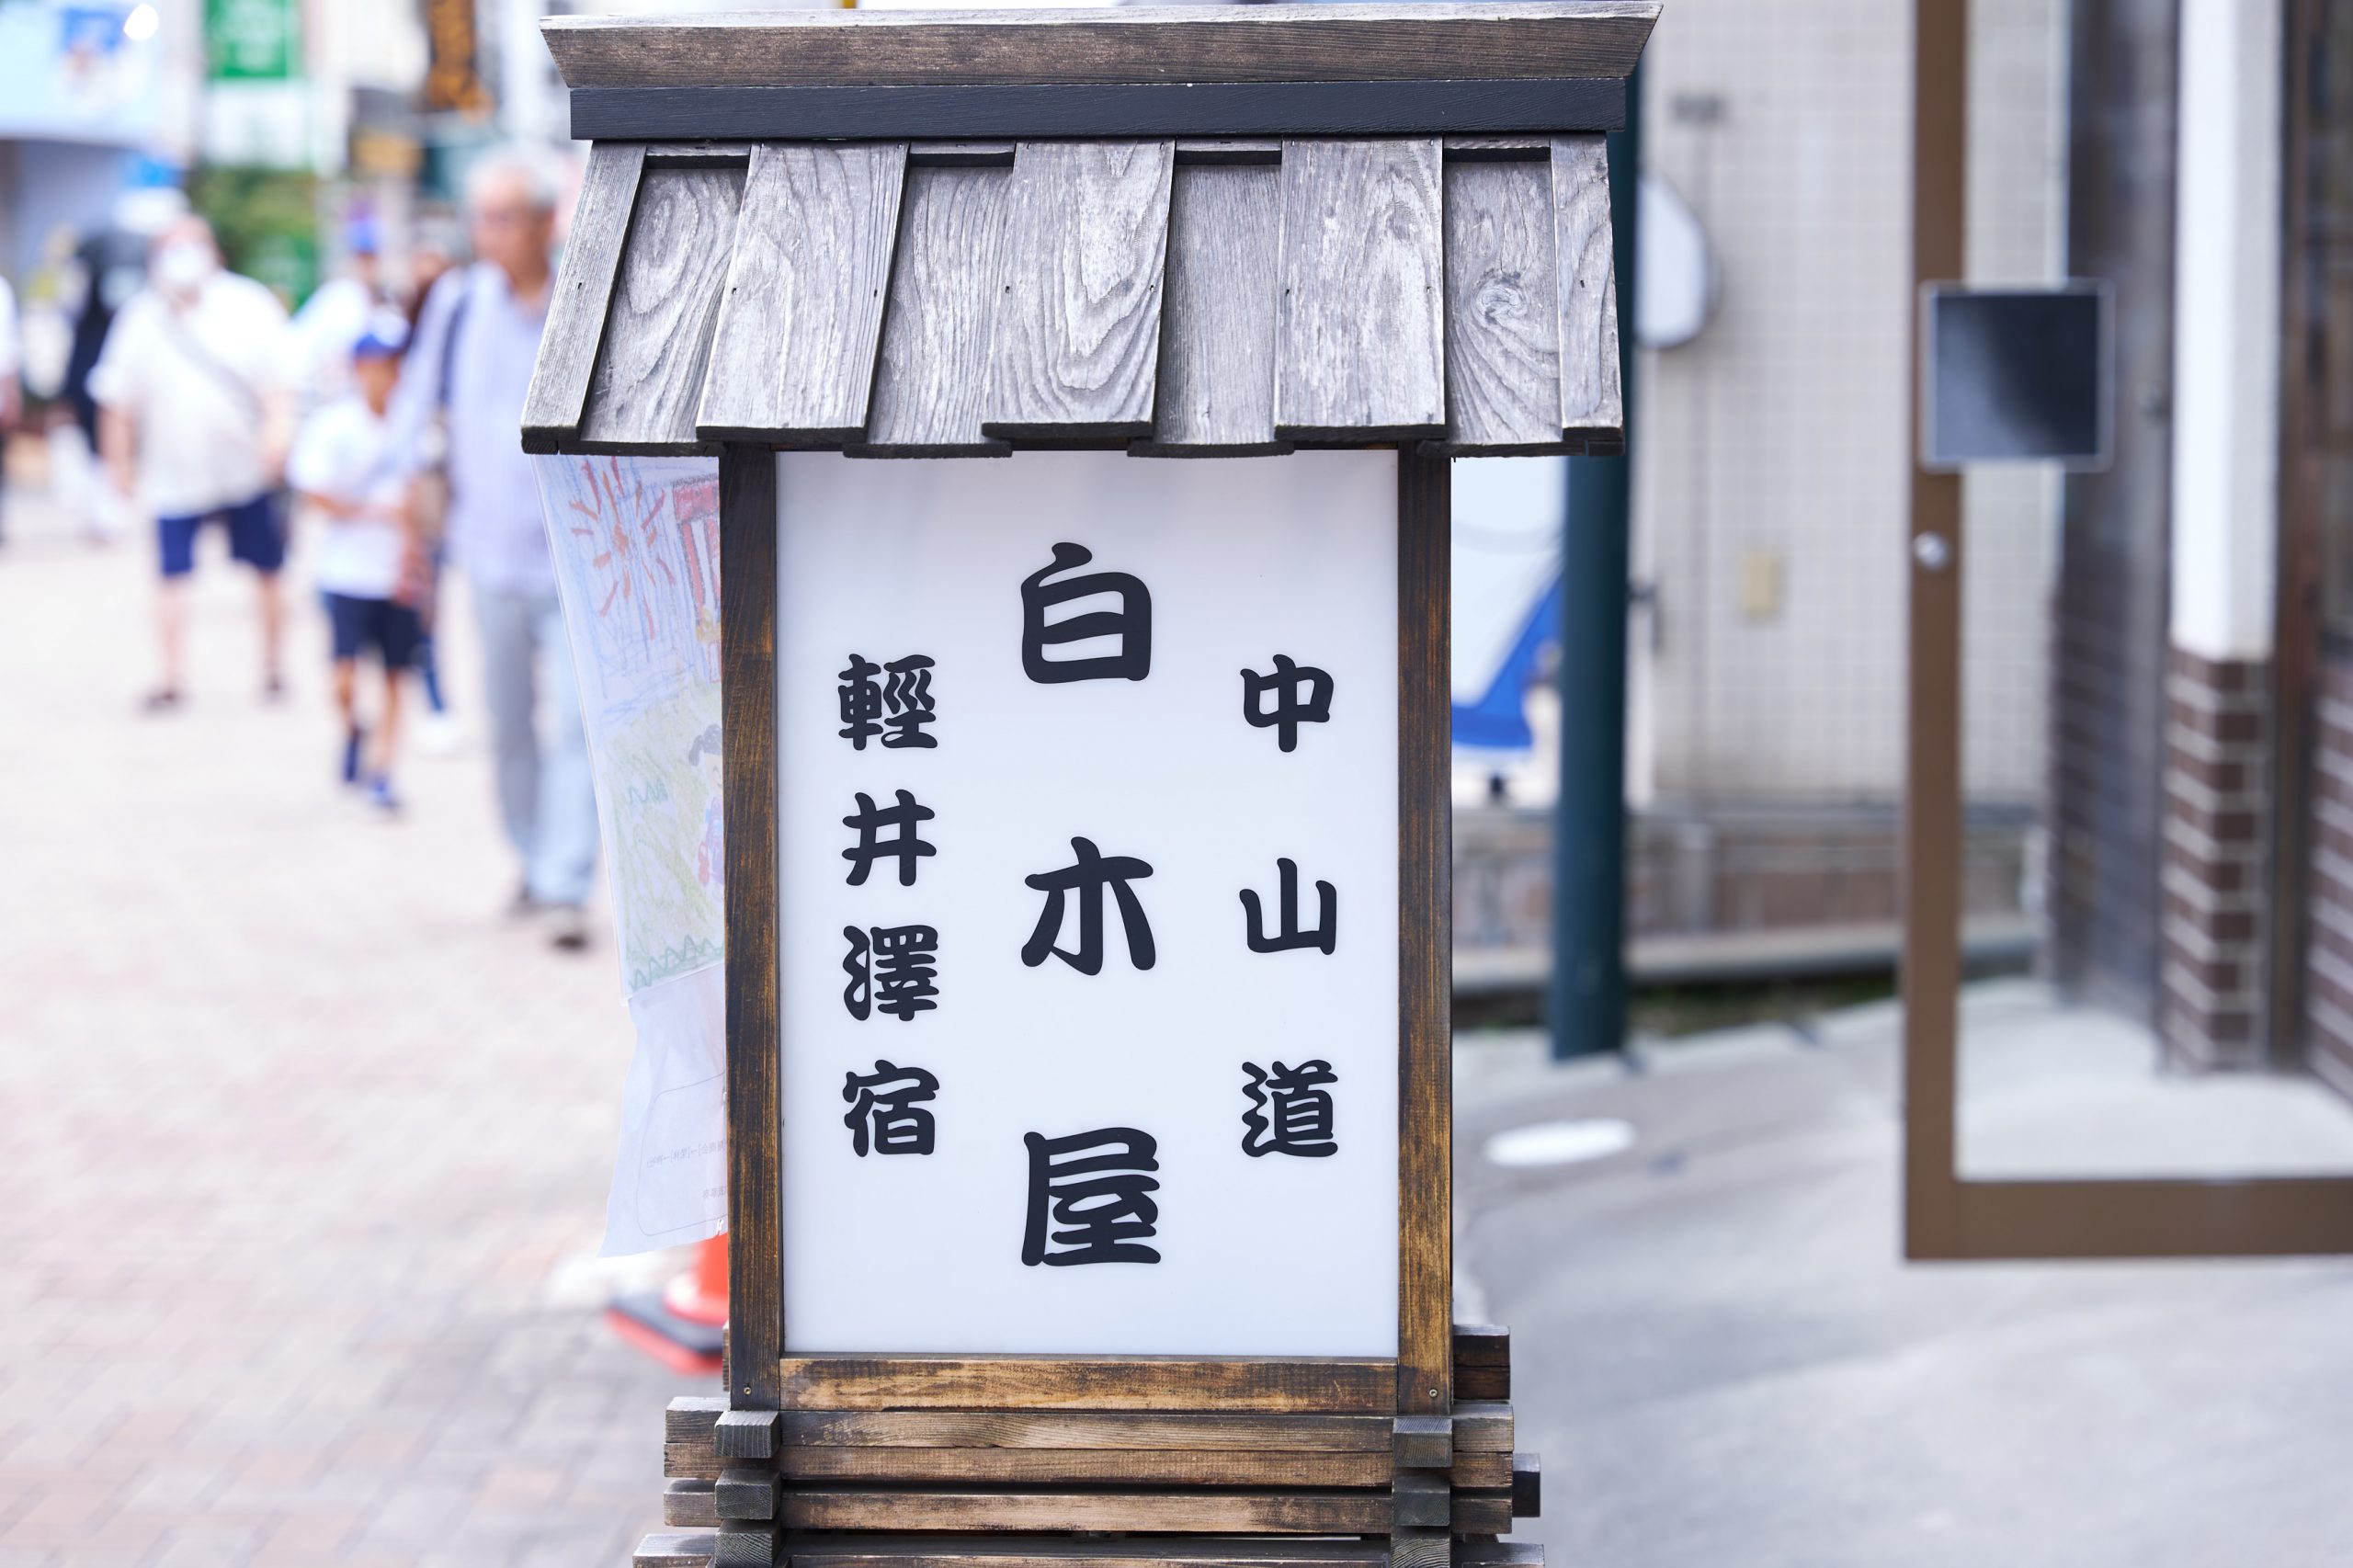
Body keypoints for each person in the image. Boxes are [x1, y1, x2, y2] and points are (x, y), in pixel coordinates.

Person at [392, 146, 596, 950]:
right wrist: (405, 504)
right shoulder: (457, 304)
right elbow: (416, 407)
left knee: (578, 725)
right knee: (509, 724)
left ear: (546, 223)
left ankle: (564, 881)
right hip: (488, 551)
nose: (488, 234)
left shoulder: (580, 296)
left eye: (504, 218)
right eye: (480, 218)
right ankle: (531, 856)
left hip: (577, 554)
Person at [92, 215, 294, 708]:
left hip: (244, 468)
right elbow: (116, 399)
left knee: (267, 567)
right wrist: (117, 466)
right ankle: (171, 676)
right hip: (173, 471)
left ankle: (273, 667)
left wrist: (277, 438)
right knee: (170, 575)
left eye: (191, 245)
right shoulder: (141, 316)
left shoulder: (249, 305)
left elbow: (280, 385)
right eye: (171, 247)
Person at [290, 315, 419, 812]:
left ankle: (383, 771)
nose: (388, 374)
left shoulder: (412, 422)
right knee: (342, 678)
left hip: (396, 570)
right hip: (347, 571)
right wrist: (368, 512)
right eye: (379, 364)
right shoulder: (335, 424)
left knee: (394, 676)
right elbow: (312, 489)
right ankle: (352, 728)